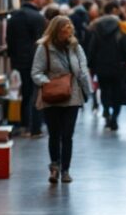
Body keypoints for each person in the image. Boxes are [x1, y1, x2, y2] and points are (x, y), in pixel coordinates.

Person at [31, 16, 93, 184]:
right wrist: (49, 83)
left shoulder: (75, 47)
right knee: (54, 134)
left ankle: (66, 170)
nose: (66, 34)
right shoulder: (44, 48)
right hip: (51, 96)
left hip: (72, 96)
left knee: (67, 135)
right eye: (63, 31)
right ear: (55, 31)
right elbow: (36, 72)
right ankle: (54, 166)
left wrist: (88, 92)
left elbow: (82, 70)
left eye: (69, 31)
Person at [6, 0, 46, 137]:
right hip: (33, 61)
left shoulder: (14, 16)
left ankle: (20, 124)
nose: (43, 1)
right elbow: (40, 42)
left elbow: (9, 40)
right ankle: (34, 128)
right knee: (34, 94)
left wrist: (12, 58)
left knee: (19, 92)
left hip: (17, 61)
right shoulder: (37, 17)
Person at [87, 1, 126, 131]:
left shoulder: (96, 26)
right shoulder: (122, 26)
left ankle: (106, 111)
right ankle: (114, 118)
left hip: (101, 65)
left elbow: (92, 47)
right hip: (118, 66)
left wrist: (91, 65)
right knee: (117, 91)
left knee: (104, 89)